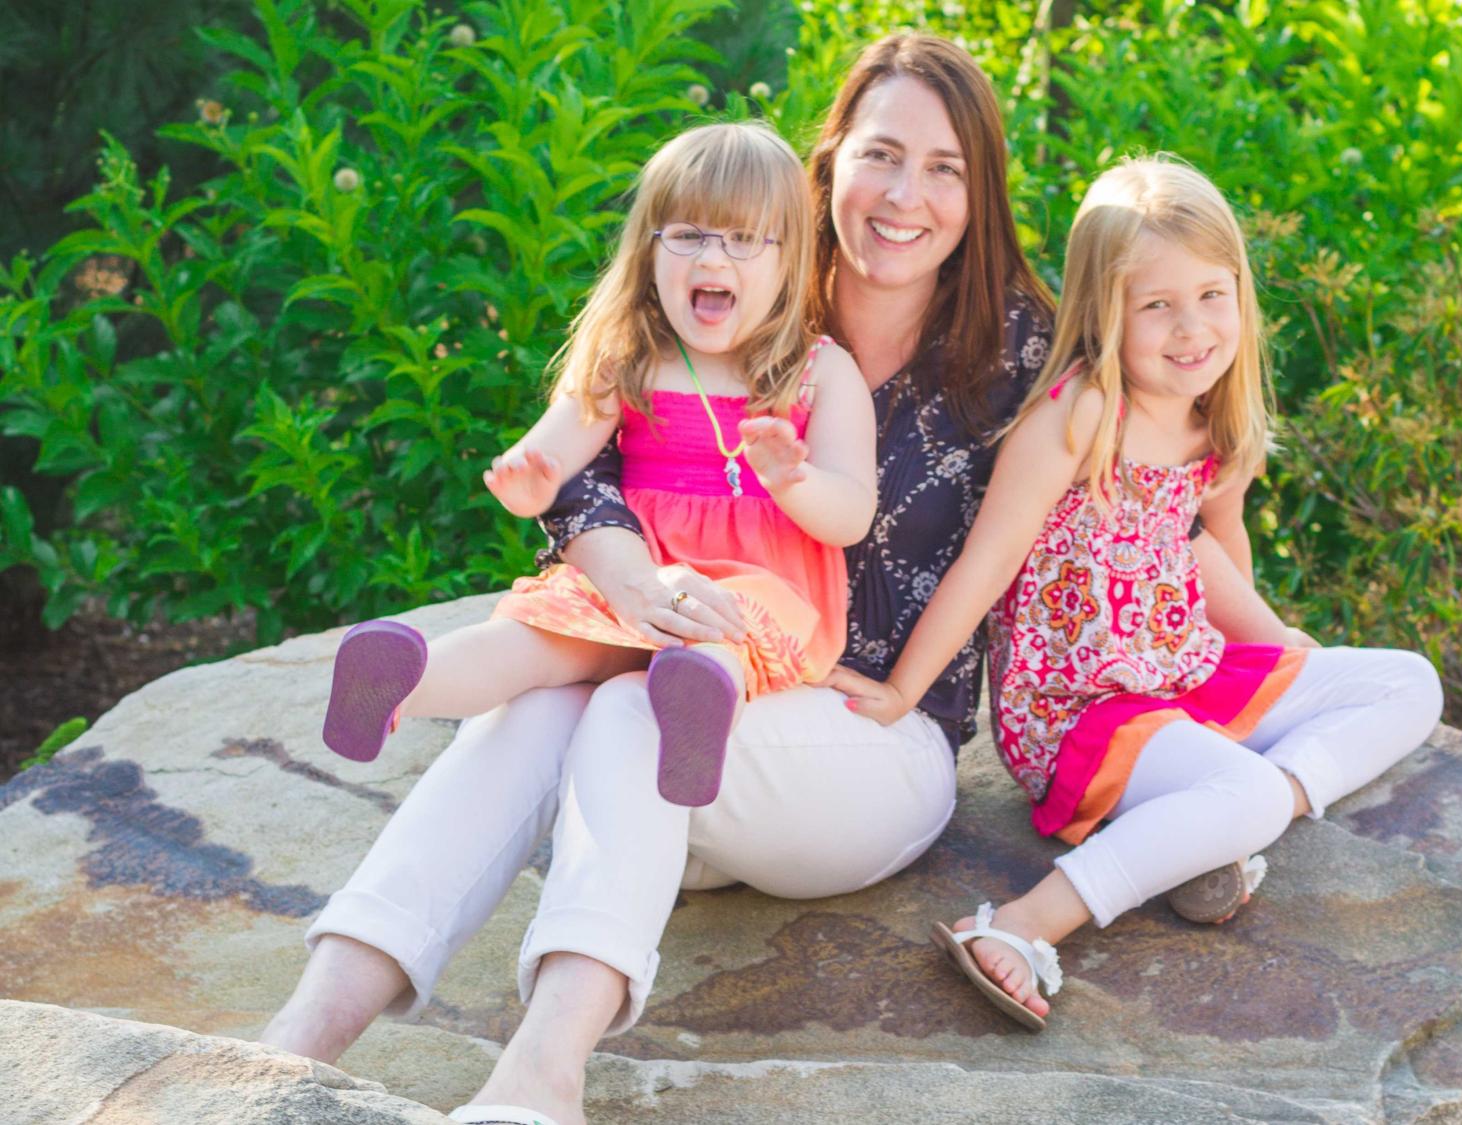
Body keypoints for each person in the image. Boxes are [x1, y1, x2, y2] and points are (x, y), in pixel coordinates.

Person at [262, 33, 1058, 1124]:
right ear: (827, 166)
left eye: (945, 167)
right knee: (569, 693)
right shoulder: (745, 275)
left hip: (861, 738)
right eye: (881, 155)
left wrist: (1167, 782)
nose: (905, 194)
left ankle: (545, 1071)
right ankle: (298, 1041)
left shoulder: (1025, 352)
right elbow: (587, 469)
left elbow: (1110, 534)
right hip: (675, 707)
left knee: (626, 701)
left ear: (983, 190)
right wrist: (632, 584)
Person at [826, 156, 1444, 1031]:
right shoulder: (1079, 417)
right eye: (1157, 305)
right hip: (1080, 714)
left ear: (1239, 292)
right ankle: (1025, 923)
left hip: (1185, 680)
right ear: (1105, 311)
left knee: (1408, 682)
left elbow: (1208, 545)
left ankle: (1229, 814)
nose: (1191, 329)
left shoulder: (1212, 415)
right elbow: (987, 562)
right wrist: (900, 691)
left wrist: (1278, 647)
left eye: (1211, 295)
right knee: (1252, 796)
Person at [319, 122, 874, 807]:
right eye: (689, 234)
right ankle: (401, 678)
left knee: (722, 634)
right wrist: (528, 484)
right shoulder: (630, 357)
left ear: (790, 259)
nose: (714, 258)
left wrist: (793, 480)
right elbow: (551, 453)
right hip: (633, 576)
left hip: (762, 584)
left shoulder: (821, 373)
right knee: (539, 639)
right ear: (650, 247)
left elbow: (851, 513)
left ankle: (692, 719)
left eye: (743, 238)